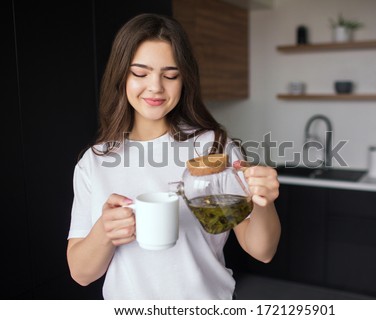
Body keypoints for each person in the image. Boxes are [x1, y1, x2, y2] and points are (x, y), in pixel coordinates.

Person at [66, 13, 281, 300]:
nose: (156, 87)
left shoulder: (212, 148)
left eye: (170, 75)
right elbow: (81, 274)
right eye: (140, 73)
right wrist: (104, 232)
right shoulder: (94, 162)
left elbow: (262, 251)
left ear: (184, 80)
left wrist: (263, 203)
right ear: (121, 76)